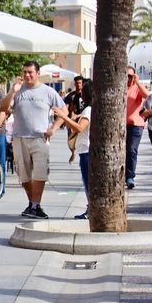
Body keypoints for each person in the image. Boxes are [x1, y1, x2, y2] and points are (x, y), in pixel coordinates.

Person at [0, 60, 68, 219]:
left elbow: (63, 112)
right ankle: (33, 204)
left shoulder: (48, 92)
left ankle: (35, 205)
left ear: (38, 73)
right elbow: (3, 108)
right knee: (24, 176)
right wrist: (12, 91)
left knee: (40, 173)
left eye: (30, 72)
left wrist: (53, 129)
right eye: (24, 72)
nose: (27, 75)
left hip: (40, 138)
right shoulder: (17, 91)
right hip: (19, 138)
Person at [54, 79, 92, 219]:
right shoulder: (89, 109)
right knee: (87, 181)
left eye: (83, 92)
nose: (80, 95)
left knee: (88, 182)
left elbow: (80, 128)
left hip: (87, 150)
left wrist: (64, 117)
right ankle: (90, 208)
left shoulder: (88, 109)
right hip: (85, 150)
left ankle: (91, 210)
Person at [125, 67, 150, 189]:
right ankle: (123, 175)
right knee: (123, 151)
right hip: (121, 125)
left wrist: (138, 82)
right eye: (126, 75)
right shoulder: (120, 87)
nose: (128, 78)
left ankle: (130, 176)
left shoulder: (137, 88)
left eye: (130, 76)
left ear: (134, 76)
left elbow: (148, 96)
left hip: (136, 125)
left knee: (131, 149)